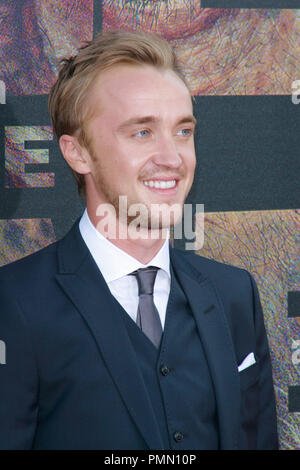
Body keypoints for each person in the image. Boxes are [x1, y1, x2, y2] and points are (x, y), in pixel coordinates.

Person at [0, 30, 278, 450]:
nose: (172, 158)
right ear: (78, 153)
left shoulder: (234, 294)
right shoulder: (14, 303)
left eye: (183, 131)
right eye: (142, 132)